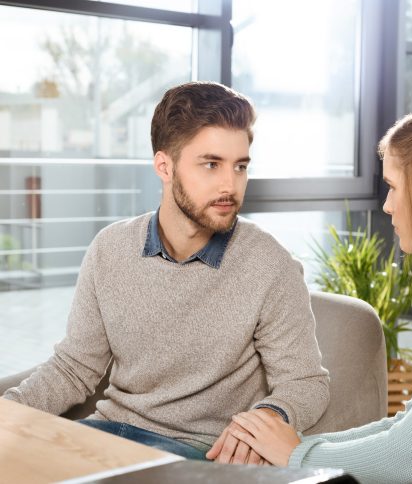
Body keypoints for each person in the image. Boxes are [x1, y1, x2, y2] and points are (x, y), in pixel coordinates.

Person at [3, 81, 329, 464]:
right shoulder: (110, 249)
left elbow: (305, 383)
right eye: (211, 164)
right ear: (164, 166)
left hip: (191, 453)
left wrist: (269, 416)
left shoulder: (270, 265)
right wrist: (11, 410)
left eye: (240, 166)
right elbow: (75, 367)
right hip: (103, 433)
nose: (230, 185)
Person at [227, 105, 412, 483]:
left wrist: (294, 452)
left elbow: (400, 458)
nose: (386, 206)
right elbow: (406, 427)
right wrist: (298, 447)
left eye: (393, 187)